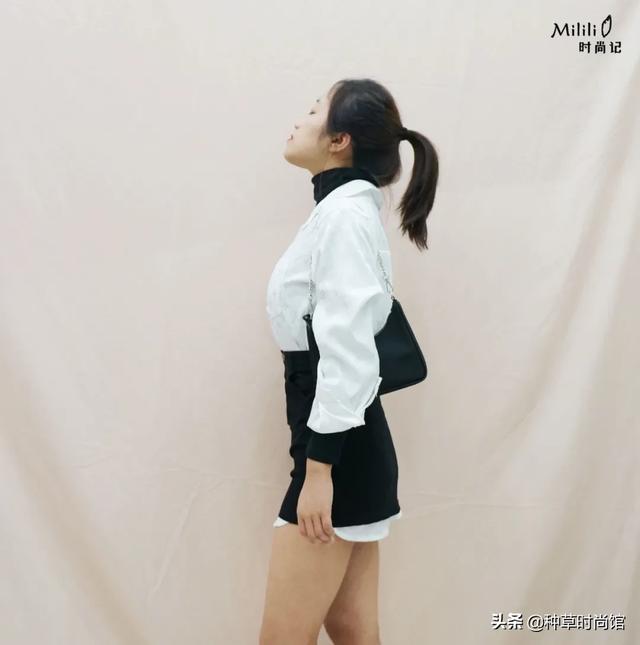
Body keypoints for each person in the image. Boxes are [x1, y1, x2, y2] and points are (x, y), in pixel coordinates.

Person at [260, 77, 439, 645]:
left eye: (314, 110)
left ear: (340, 140)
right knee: (353, 629)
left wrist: (319, 473)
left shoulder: (343, 217)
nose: (299, 119)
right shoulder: (341, 212)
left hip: (337, 453)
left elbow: (348, 353)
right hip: (343, 445)